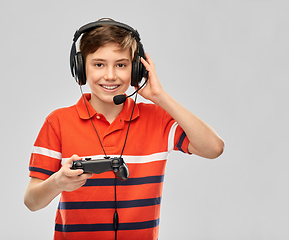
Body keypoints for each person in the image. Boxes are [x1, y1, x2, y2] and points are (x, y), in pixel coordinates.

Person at [24, 18, 224, 240]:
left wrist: (160, 97)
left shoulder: (157, 119)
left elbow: (213, 148)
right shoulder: (58, 122)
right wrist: (58, 182)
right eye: (99, 64)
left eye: (121, 65)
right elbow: (32, 201)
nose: (110, 75)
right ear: (81, 68)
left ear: (137, 69)